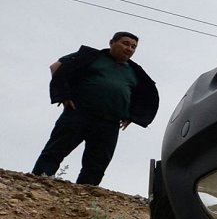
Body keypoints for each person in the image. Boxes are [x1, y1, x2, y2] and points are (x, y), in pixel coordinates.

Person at [31, 31, 159, 186]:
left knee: (97, 164)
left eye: (133, 47)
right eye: (125, 43)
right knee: (55, 150)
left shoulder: (136, 72)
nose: (129, 49)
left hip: (110, 122)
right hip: (79, 113)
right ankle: (39, 182)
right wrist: (64, 94)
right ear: (112, 43)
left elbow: (144, 96)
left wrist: (133, 116)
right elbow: (56, 67)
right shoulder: (91, 56)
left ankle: (85, 195)